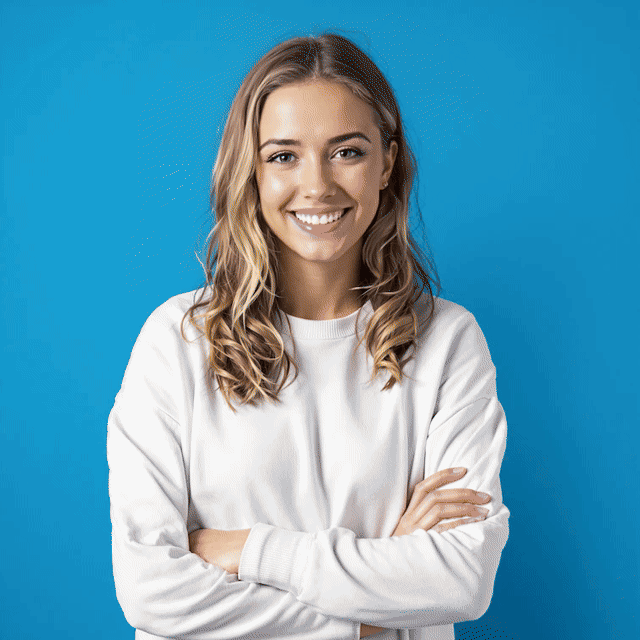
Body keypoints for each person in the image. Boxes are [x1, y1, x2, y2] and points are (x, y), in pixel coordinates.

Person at [107, 32, 509, 640]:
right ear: (251, 169)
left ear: (387, 162)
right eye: (283, 156)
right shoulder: (178, 341)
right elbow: (151, 591)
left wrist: (248, 549)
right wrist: (373, 613)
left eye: (346, 151)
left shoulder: (448, 342)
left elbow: (462, 579)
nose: (317, 186)